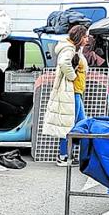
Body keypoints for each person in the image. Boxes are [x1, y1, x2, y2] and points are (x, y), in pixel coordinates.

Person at [41, 24, 89, 166]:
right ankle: (64, 156)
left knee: (78, 124)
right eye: (85, 37)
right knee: (72, 125)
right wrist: (73, 77)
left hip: (75, 91)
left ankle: (69, 154)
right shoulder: (68, 50)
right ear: (79, 37)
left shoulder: (74, 49)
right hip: (71, 92)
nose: (87, 39)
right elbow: (63, 63)